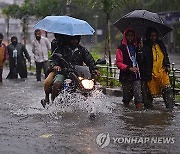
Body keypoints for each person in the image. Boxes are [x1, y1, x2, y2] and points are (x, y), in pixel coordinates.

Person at [41, 34, 100, 107]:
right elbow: (54, 58)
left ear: (79, 39)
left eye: (76, 39)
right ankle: (53, 103)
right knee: (57, 84)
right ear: (69, 39)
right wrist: (55, 65)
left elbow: (89, 60)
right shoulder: (61, 48)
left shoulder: (82, 50)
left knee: (90, 86)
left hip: (78, 73)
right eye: (72, 39)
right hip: (63, 72)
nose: (74, 41)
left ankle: (91, 106)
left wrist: (94, 69)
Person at [137, 27, 174, 110]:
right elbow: (140, 61)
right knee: (148, 98)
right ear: (148, 36)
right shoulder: (144, 46)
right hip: (149, 74)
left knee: (167, 91)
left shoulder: (160, 44)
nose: (153, 37)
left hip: (162, 72)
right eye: (151, 36)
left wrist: (167, 65)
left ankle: (170, 110)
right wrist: (140, 50)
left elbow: (165, 56)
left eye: (155, 35)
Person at [116, 29, 143, 110]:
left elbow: (141, 60)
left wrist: (140, 49)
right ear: (125, 36)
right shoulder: (121, 48)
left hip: (136, 75)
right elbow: (118, 63)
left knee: (138, 95)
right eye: (128, 35)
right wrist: (129, 68)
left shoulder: (137, 47)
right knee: (126, 97)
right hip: (126, 76)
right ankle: (126, 112)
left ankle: (139, 112)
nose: (130, 37)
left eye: (131, 35)